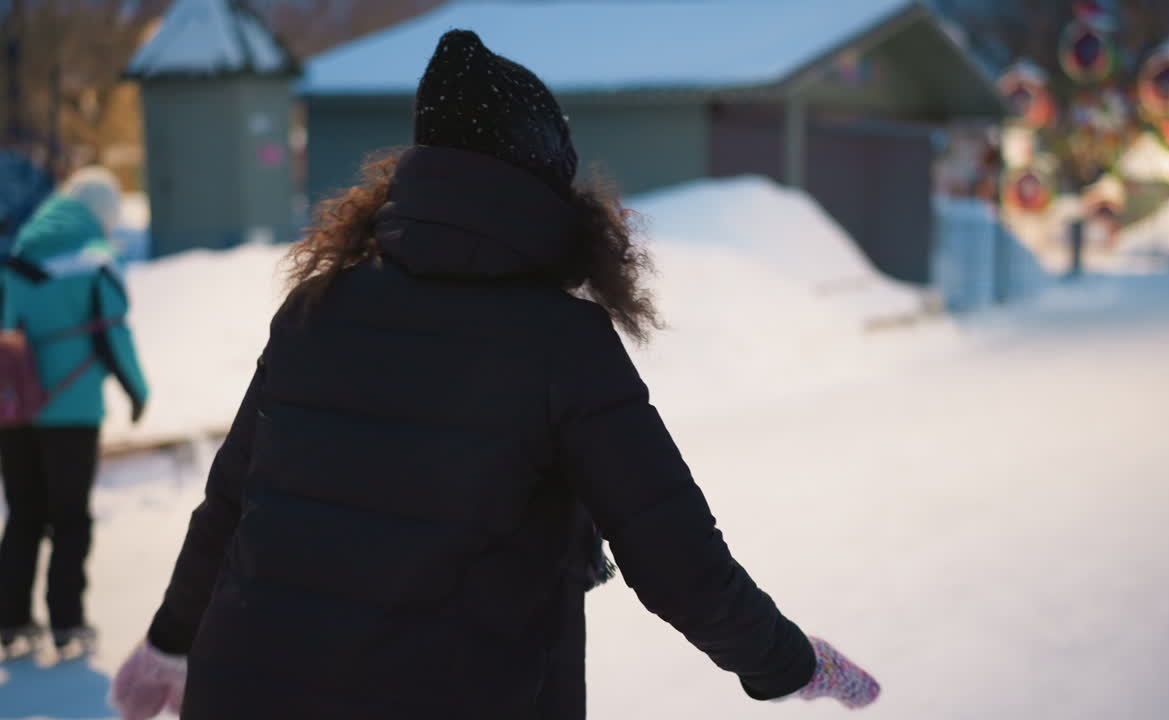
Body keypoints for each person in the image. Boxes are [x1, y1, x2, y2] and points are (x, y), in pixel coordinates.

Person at [110, 30, 879, 719]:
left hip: (246, 692)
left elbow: (230, 503)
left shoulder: (322, 304)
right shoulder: (561, 340)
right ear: (548, 185)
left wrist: (173, 641)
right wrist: (791, 663)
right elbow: (677, 559)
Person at [0, 166, 149, 654]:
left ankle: (11, 620)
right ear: (103, 213)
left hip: (15, 407)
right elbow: (114, 333)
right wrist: (137, 390)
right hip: (73, 410)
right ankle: (67, 623)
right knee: (70, 518)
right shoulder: (95, 259)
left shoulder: (19, 251)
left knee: (23, 514)